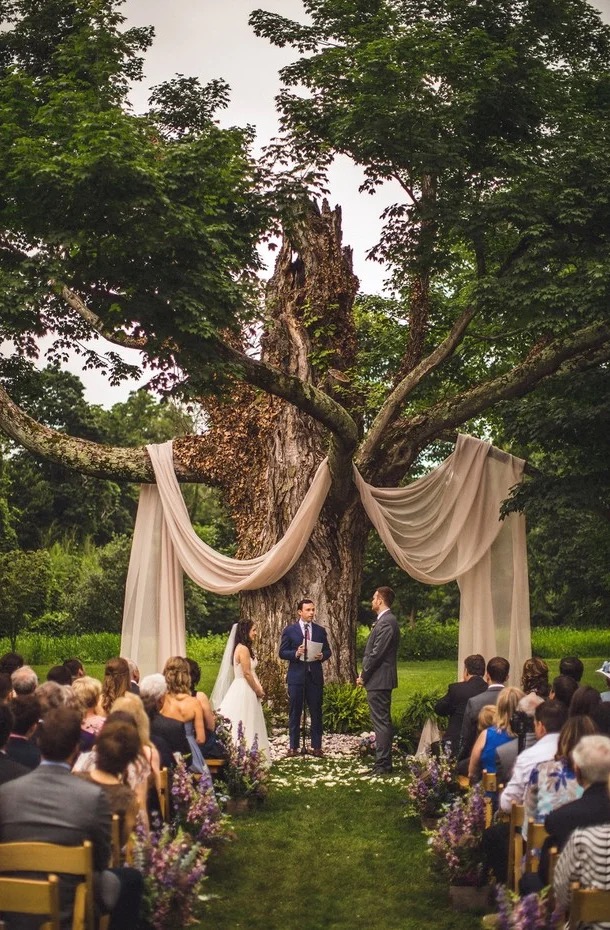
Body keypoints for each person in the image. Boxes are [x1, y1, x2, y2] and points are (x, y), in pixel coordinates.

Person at [0, 706, 143, 930]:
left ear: (38, 743)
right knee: (129, 878)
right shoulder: (92, 797)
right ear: (76, 749)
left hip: (13, 910)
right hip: (69, 907)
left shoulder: (6, 793)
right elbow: (100, 858)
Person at [279, 598, 332, 758]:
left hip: (314, 676)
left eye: (313, 610)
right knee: (295, 711)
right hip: (296, 676)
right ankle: (293, 747)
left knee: (316, 711)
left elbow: (328, 650)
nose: (311, 613)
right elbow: (282, 652)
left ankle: (316, 747)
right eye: (308, 610)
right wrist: (295, 653)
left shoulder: (320, 630)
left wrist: (322, 655)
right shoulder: (290, 630)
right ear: (299, 612)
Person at [357, 586, 400, 775]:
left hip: (380, 680)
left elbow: (376, 654)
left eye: (374, 597)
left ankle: (383, 764)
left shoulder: (387, 623)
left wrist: (363, 675)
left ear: (380, 600)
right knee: (381, 721)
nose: (372, 600)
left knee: (381, 722)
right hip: (379, 679)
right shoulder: (384, 621)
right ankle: (383, 762)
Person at [212, 619, 270, 760]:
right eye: (253, 630)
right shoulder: (243, 649)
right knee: (244, 718)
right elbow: (247, 673)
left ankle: (250, 752)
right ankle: (242, 753)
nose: (256, 633)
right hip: (244, 687)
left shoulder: (244, 647)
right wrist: (257, 690)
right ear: (246, 631)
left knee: (250, 718)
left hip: (246, 686)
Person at [457, 656, 510, 770]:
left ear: (487, 676)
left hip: (481, 759)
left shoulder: (475, 702)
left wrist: (459, 760)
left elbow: (466, 738)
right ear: (507, 677)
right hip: (510, 758)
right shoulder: (516, 701)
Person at [434, 653, 487, 756]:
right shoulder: (488, 690)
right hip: (481, 742)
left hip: (456, 743)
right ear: (484, 672)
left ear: (466, 671)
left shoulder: (456, 689)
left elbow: (439, 708)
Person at [467, 687, 523, 782]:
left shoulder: (487, 735)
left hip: (491, 792)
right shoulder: (531, 736)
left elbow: (472, 773)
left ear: (499, 707)